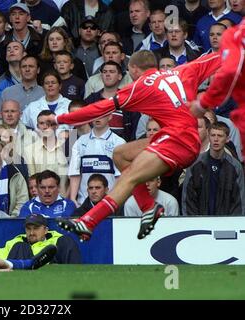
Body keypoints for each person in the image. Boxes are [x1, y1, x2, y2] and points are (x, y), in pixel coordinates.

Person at [48, 50, 221, 240]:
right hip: (183, 137)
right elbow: (217, 57)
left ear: (133, 69)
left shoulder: (139, 87)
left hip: (177, 141)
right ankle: (148, 208)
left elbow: (98, 109)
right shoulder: (183, 71)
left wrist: (60, 118)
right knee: (121, 154)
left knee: (129, 176)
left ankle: (88, 222)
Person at [190, 16, 245, 160]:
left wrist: (203, 103)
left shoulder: (237, 38)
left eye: (219, 34)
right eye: (211, 34)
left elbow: (229, 73)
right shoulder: (202, 59)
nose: (215, 37)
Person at [182, 121, 245, 215]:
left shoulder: (235, 167)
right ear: (208, 136)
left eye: (220, 136)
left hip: (226, 224)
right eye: (213, 135)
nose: (216, 139)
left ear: (227, 139)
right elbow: (188, 199)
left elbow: (238, 201)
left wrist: (233, 223)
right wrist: (192, 223)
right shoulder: (195, 164)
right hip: (198, 223)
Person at [0, 213, 82, 264]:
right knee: (20, 246)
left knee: (66, 241)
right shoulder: (15, 243)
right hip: (23, 278)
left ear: (45, 230)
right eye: (28, 229)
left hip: (52, 278)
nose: (31, 233)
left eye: (36, 228)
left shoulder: (58, 240)